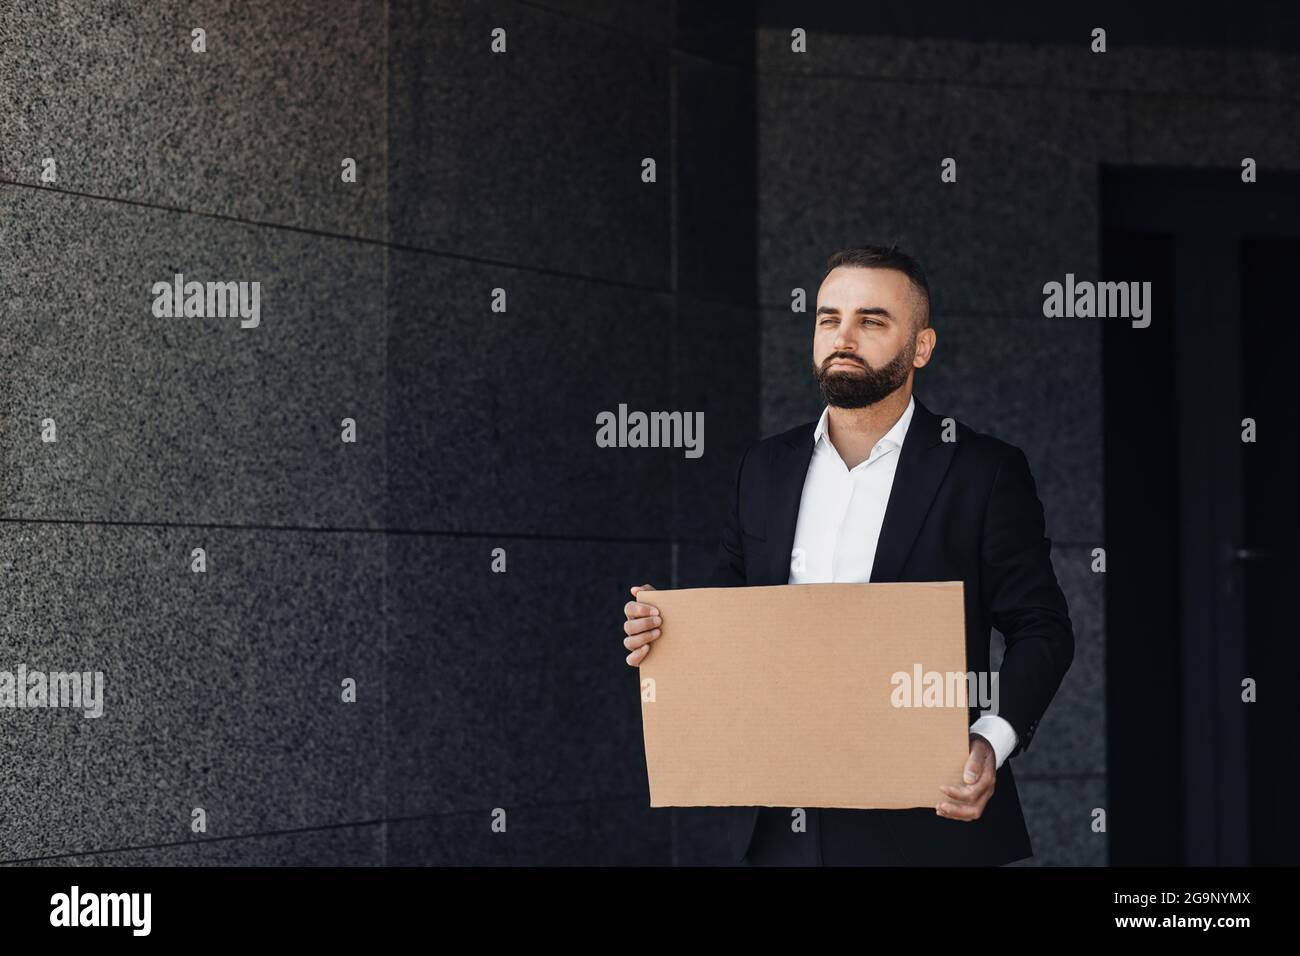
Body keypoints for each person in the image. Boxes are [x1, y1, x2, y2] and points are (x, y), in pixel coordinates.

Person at [621, 243, 1075, 866]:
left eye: (872, 320)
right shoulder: (764, 467)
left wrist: (989, 741)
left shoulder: (983, 471)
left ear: (921, 346)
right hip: (782, 823)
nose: (844, 336)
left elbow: (1042, 628)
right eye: (828, 318)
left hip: (927, 819)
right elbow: (728, 603)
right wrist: (665, 628)